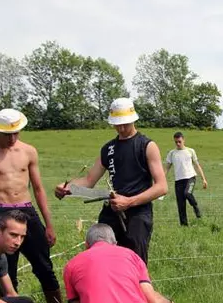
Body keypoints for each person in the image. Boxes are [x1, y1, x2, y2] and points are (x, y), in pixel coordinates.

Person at [0, 109, 63, 303]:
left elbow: (38, 188)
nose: (12, 138)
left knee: (44, 266)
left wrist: (48, 224)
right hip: (0, 212)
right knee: (5, 272)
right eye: (6, 134)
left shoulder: (28, 151)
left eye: (16, 133)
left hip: (27, 211)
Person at [55, 97, 167, 263]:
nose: (121, 128)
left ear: (133, 120)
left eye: (125, 123)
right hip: (111, 212)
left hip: (137, 213)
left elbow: (162, 187)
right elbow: (89, 180)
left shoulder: (147, 146)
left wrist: (129, 202)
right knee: (104, 260)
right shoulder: (108, 149)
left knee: (134, 263)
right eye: (117, 124)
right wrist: (68, 188)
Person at [165, 131, 208, 227]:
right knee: (181, 204)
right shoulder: (172, 153)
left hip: (190, 178)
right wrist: (163, 180)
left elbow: (197, 166)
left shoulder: (190, 151)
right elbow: (167, 168)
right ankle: (184, 226)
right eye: (176, 142)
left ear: (183, 140)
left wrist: (204, 179)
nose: (178, 144)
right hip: (178, 181)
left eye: (179, 141)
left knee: (187, 193)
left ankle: (196, 208)